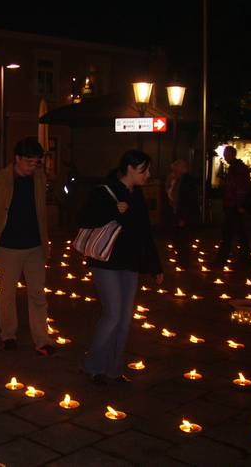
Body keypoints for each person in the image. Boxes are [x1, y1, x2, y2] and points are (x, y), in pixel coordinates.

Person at [79, 150, 163, 385]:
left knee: (124, 318)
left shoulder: (137, 195)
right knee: (113, 314)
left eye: (147, 170)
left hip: (130, 263)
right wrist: (113, 210)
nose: (147, 175)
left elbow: (145, 233)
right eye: (143, 170)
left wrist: (156, 267)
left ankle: (114, 370)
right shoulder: (105, 190)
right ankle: (93, 365)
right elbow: (85, 218)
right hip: (106, 262)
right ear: (129, 169)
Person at [0, 137, 55, 356]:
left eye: (36, 163)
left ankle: (42, 339)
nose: (33, 167)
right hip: (8, 247)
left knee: (38, 294)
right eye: (30, 162)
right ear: (18, 159)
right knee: (7, 294)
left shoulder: (39, 178)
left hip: (35, 246)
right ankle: (8, 335)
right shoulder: (0, 179)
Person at [215, 145, 251, 267]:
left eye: (226, 154)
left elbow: (240, 188)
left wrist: (240, 204)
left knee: (231, 233)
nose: (224, 156)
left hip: (234, 205)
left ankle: (223, 259)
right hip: (232, 204)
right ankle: (244, 259)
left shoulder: (238, 168)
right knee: (236, 233)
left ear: (232, 155)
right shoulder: (234, 168)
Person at [168, 159, 199, 268]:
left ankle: (184, 262)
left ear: (182, 168)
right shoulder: (178, 179)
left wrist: (183, 218)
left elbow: (189, 200)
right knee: (178, 238)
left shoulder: (188, 181)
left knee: (183, 239)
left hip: (184, 214)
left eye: (176, 168)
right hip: (178, 212)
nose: (174, 171)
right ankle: (182, 261)